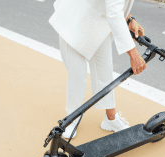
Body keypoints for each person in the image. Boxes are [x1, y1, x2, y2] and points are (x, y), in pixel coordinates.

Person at [48, 0, 146, 139]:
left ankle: (110, 119)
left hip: (99, 23)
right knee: (78, 75)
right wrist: (133, 54)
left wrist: (129, 18)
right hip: (75, 19)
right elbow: (113, 11)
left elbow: (113, 5)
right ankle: (70, 119)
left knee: (104, 70)